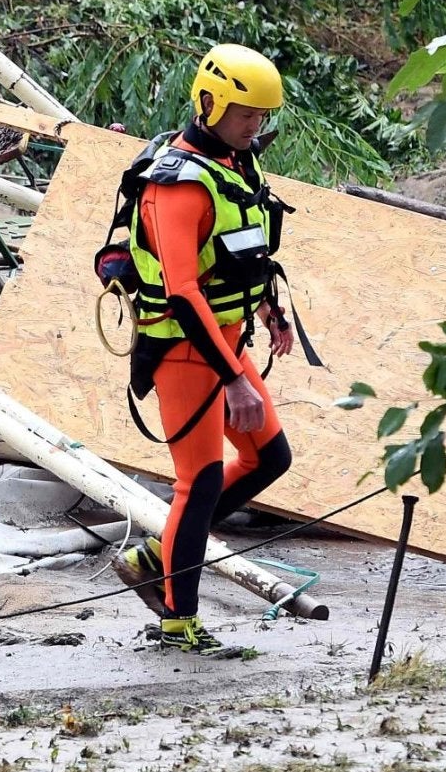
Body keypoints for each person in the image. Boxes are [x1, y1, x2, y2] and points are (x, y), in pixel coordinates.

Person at [111, 43, 304, 656]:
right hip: (185, 349)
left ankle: (157, 554)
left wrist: (270, 306)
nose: (257, 126)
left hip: (226, 338)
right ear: (210, 103)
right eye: (248, 114)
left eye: (262, 116)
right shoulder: (177, 186)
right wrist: (235, 380)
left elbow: (241, 248)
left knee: (270, 457)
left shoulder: (234, 161)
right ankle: (177, 622)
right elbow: (181, 292)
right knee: (200, 479)